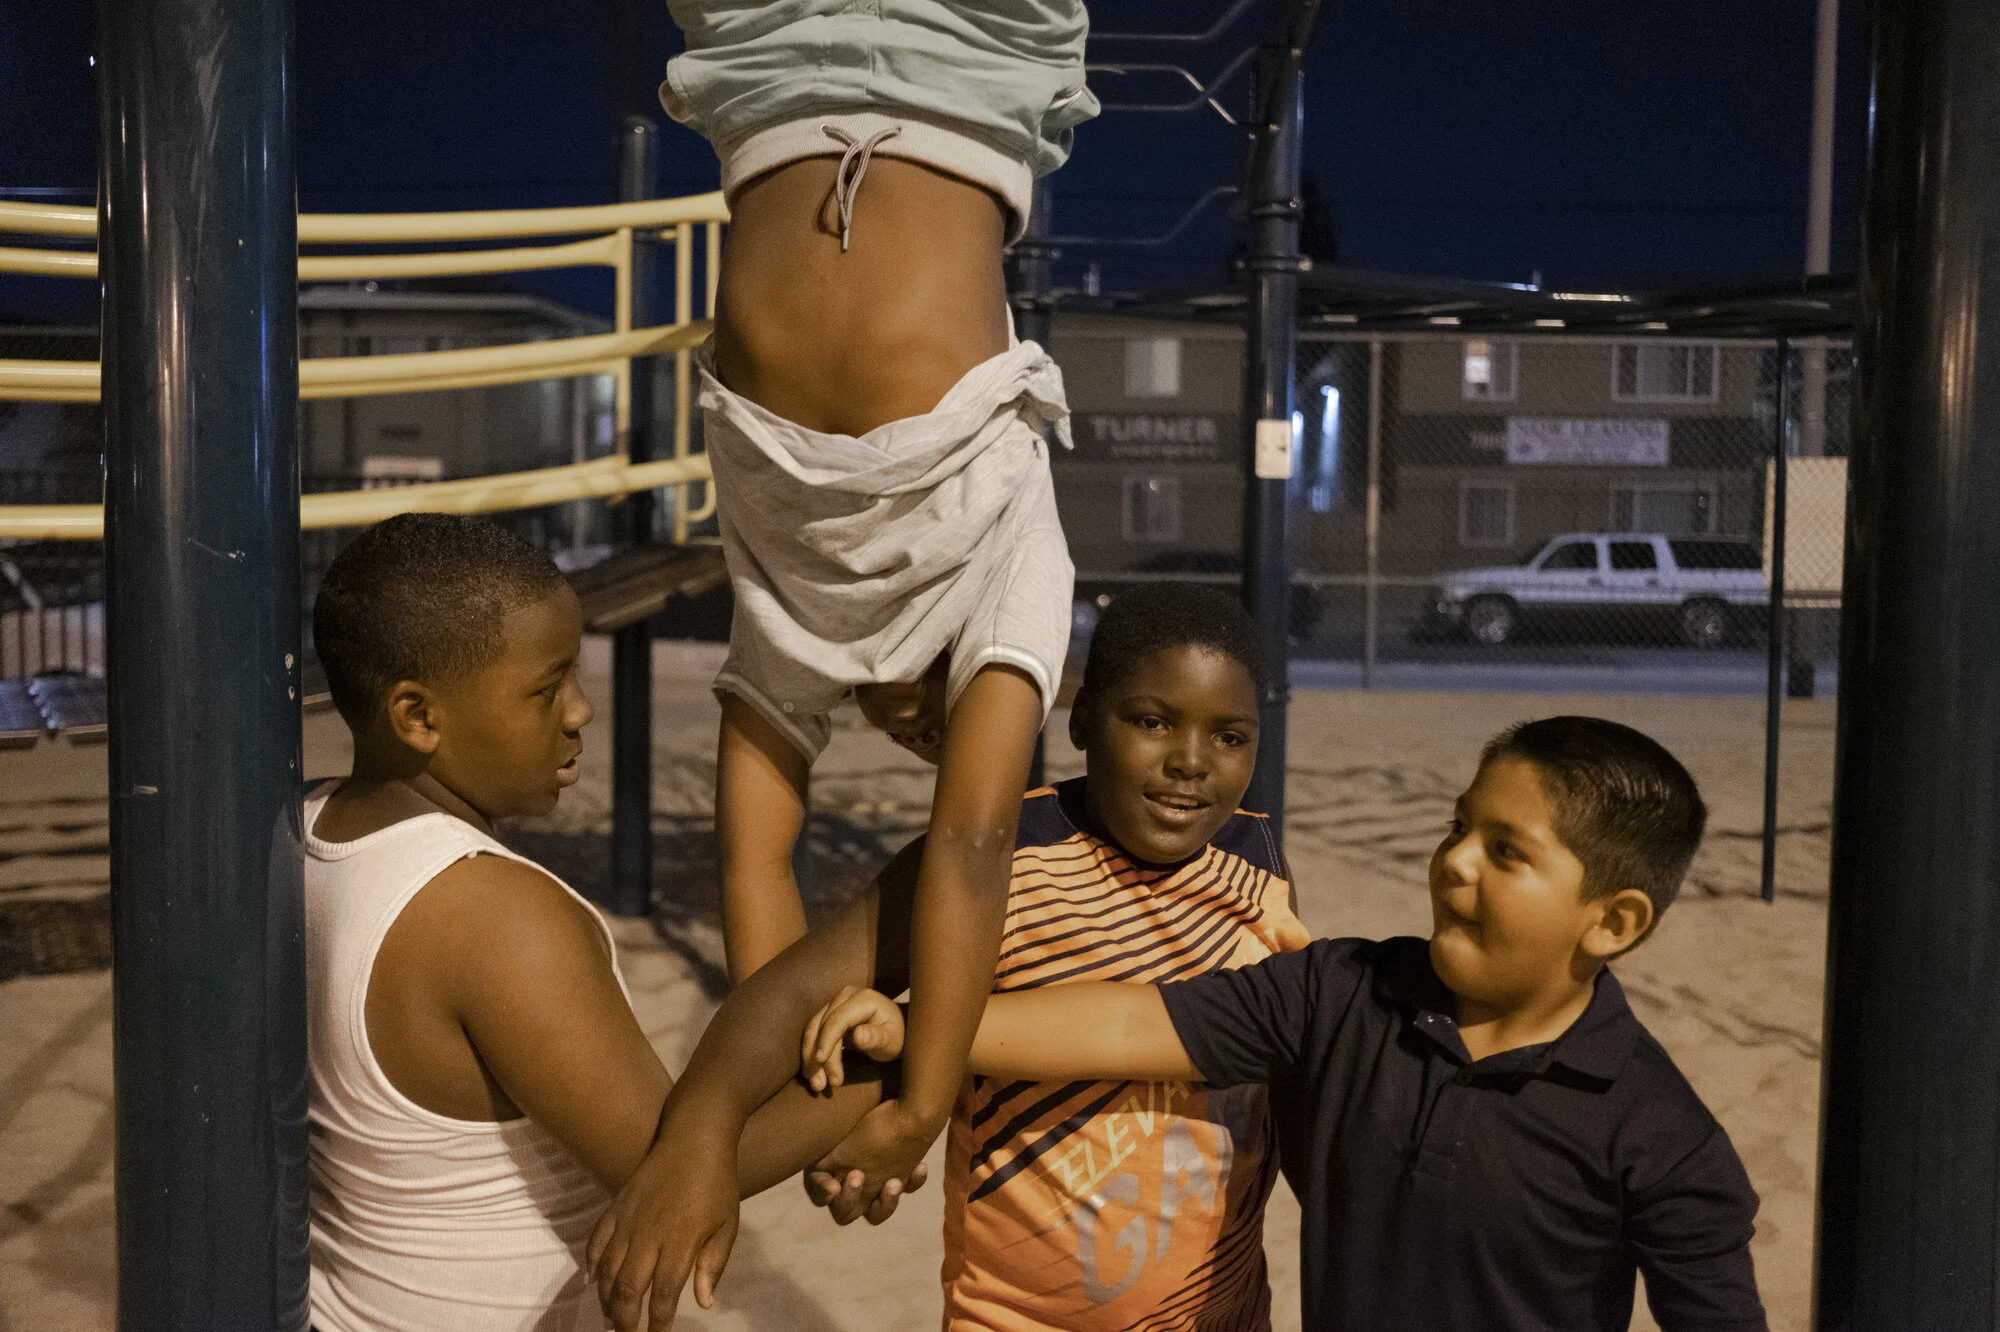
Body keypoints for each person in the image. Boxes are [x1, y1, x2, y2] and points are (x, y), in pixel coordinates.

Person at [807, 716, 1771, 1332]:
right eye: (1456, 827)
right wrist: (920, 1028)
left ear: (1614, 921)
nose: (1454, 865)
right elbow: (1128, 1026)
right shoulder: (1344, 994)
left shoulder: (1660, 1136)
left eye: (1506, 853)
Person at [646, 0, 1102, 1259]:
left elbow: (752, 874)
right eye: (936, 727)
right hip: (969, 66)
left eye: (909, 732)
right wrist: (918, 1103)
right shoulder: (1019, 566)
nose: (919, 726)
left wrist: (796, 1080)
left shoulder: (793, 640)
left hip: (771, 64)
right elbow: (969, 846)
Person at [587, 584, 1311, 1331]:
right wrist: (702, 1144)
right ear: (1085, 717)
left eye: (1230, 737)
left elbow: (1286, 1061)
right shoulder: (995, 864)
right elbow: (794, 997)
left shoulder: (1259, 869)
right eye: (1153, 722)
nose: (1192, 761)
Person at [302, 514, 911, 1332]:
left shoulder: (312, 832)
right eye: (545, 687)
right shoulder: (492, 916)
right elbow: (671, 1171)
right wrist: (908, 1067)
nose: (580, 711)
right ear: (418, 716)